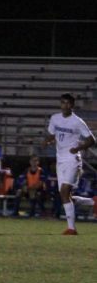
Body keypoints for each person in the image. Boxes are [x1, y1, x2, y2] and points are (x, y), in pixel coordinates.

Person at [44, 93, 96, 235]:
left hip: (73, 159)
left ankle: (71, 229)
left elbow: (92, 140)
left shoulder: (77, 121)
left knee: (65, 192)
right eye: (62, 103)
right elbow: (52, 134)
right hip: (60, 159)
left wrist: (78, 148)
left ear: (72, 105)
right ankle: (93, 202)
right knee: (66, 196)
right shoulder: (55, 118)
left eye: (67, 103)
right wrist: (47, 140)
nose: (65, 106)